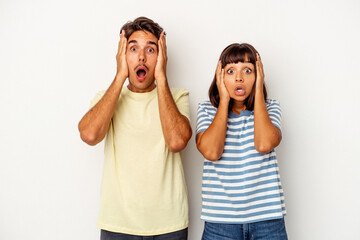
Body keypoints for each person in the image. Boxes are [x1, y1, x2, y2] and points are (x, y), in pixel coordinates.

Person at [78, 17, 192, 240]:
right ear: (122, 55)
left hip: (169, 226)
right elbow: (89, 135)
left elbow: (177, 141)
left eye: (151, 50)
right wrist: (120, 75)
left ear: (161, 57)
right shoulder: (106, 99)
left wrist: (161, 76)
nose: (141, 57)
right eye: (133, 49)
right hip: (118, 225)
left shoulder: (177, 97)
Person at [196, 43, 288, 240]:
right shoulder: (206, 110)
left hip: (268, 221)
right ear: (220, 77)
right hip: (220, 223)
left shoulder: (271, 108)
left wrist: (260, 91)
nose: (239, 78)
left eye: (248, 70)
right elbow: (212, 152)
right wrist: (223, 102)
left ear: (258, 76)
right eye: (230, 71)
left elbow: (263, 145)